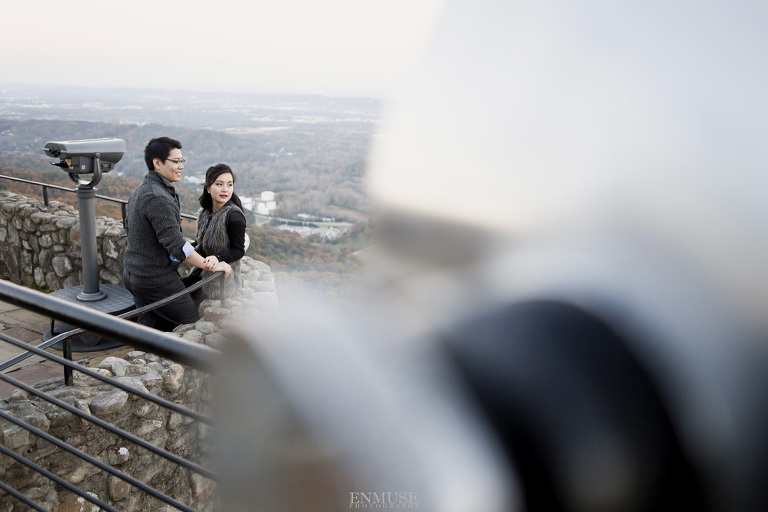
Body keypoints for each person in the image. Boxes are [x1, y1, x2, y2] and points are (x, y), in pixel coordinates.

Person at [123, 136, 231, 332]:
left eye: (182, 161)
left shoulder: (143, 189)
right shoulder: (157, 197)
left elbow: (131, 228)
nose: (181, 166)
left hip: (134, 273)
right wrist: (211, 265)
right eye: (175, 161)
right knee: (190, 323)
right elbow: (177, 245)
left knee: (149, 324)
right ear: (157, 162)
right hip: (155, 280)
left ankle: (141, 350)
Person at [182, 164, 247, 300]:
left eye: (229, 185)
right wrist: (179, 250)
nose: (225, 189)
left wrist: (217, 257)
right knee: (170, 289)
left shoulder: (234, 215)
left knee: (177, 298)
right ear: (208, 188)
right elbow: (201, 243)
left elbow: (238, 250)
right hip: (203, 270)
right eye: (219, 184)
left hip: (222, 279)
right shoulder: (206, 212)